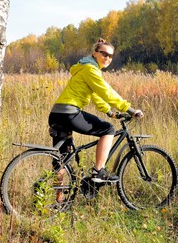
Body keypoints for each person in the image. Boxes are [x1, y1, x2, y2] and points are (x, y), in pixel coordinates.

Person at [48, 38, 143, 188]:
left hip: (57, 113)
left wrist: (110, 112)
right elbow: (106, 92)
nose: (108, 58)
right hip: (69, 113)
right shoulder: (90, 70)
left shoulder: (85, 68)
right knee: (108, 129)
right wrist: (129, 109)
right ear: (94, 53)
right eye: (104, 54)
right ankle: (98, 171)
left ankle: (58, 201)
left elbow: (95, 94)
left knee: (62, 158)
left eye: (111, 56)